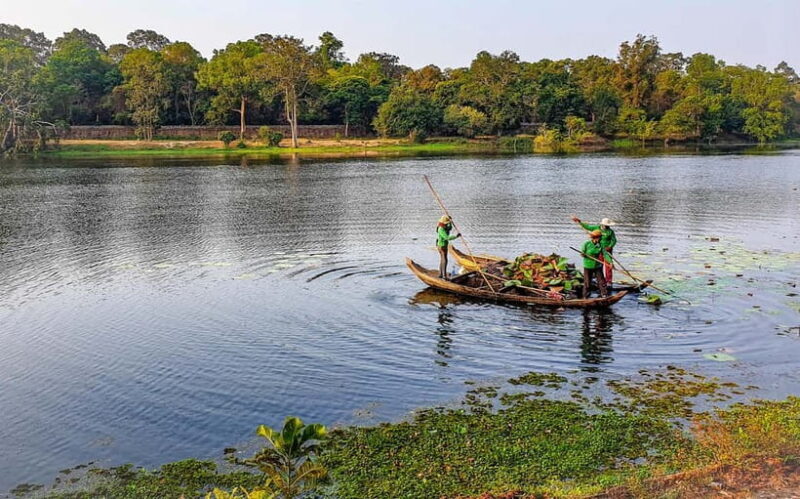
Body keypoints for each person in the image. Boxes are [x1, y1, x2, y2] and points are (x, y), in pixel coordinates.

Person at [572, 216, 617, 283]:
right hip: (598, 249)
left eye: (608, 225)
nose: (607, 226)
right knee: (599, 264)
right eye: (606, 225)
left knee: (608, 265)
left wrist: (610, 246)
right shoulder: (596, 228)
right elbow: (587, 227)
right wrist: (580, 222)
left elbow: (614, 240)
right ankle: (600, 278)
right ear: (602, 224)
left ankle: (609, 281)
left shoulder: (610, 231)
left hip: (607, 250)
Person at [580, 229, 608, 298]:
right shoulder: (586, 244)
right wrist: (584, 255)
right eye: (599, 237)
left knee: (601, 281)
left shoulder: (601, 244)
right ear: (595, 238)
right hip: (588, 265)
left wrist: (610, 262)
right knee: (587, 283)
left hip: (597, 265)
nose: (600, 239)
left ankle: (604, 294)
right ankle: (585, 296)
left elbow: (605, 254)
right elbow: (582, 253)